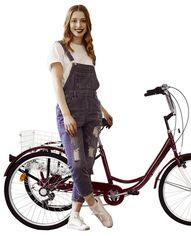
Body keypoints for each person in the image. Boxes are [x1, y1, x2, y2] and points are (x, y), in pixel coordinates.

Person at [48, 4, 113, 230]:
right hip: (71, 114)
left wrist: (103, 110)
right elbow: (57, 84)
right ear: (68, 23)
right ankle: (95, 206)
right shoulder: (59, 48)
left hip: (92, 114)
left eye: (82, 21)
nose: (78, 25)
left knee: (86, 167)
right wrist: (66, 115)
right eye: (74, 20)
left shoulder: (89, 52)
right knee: (76, 166)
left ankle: (74, 216)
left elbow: (91, 90)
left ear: (88, 24)